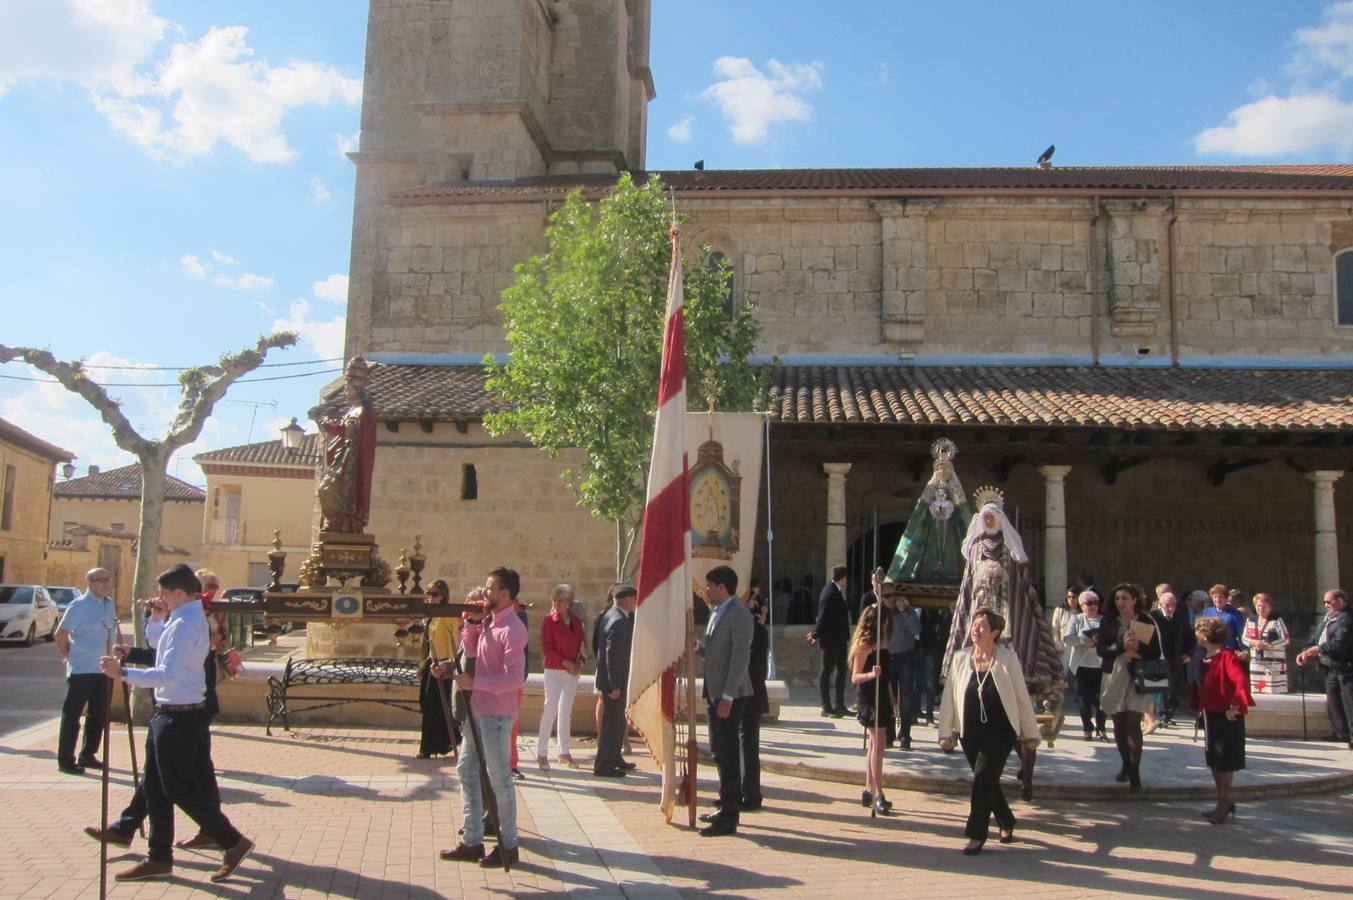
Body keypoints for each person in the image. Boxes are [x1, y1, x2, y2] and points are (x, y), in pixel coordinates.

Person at [98, 565, 254, 883]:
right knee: (155, 788)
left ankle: (232, 841)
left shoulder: (186, 624)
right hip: (172, 711)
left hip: (180, 715)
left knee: (179, 788)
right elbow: (163, 656)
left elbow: (167, 672)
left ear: (179, 593)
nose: (161, 599)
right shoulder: (181, 619)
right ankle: (158, 857)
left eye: (165, 594)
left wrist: (123, 674)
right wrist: (132, 656)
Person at [438, 567, 527, 869]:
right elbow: (473, 655)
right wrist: (471, 627)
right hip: (477, 711)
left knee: (500, 779)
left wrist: (477, 684)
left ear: (505, 594)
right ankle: (472, 839)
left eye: (490, 589)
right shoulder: (489, 623)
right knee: (466, 770)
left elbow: (515, 678)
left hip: (497, 715)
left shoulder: (513, 629)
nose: (485, 594)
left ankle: (509, 845)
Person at [937, 608, 1040, 856]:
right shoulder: (961, 658)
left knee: (982, 778)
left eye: (981, 625)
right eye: (974, 624)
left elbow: (1021, 697)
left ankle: (975, 834)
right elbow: (949, 696)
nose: (975, 628)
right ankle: (1006, 820)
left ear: (994, 632)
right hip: (969, 731)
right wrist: (945, 732)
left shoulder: (1007, 659)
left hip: (1000, 730)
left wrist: (1030, 733)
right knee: (987, 781)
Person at [943, 500, 1062, 686]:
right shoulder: (976, 545)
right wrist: (983, 582)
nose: (989, 520)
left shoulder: (1008, 545)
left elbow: (1018, 575)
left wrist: (1001, 578)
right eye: (986, 517)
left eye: (992, 517)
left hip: (1006, 601)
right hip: (981, 600)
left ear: (999, 518)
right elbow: (970, 577)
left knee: (1011, 635)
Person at [694, 565, 753, 837]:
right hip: (714, 691)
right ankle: (724, 803)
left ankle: (730, 815)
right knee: (718, 751)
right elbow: (717, 654)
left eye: (710, 585)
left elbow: (740, 657)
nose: (706, 590)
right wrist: (697, 648)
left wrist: (728, 694)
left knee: (727, 753)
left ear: (722, 587)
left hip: (730, 694)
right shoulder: (716, 612)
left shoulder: (739, 614)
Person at [1093, 582, 1162, 792]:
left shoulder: (1146, 620)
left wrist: (1138, 646)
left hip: (1137, 674)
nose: (1120, 602)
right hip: (1114, 673)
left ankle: (1135, 772)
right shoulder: (1108, 622)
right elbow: (1102, 650)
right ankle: (1125, 763)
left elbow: (1155, 651)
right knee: (1119, 723)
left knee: (1133, 722)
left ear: (1134, 600)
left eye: (1124, 598)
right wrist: (1120, 646)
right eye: (1117, 598)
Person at [55, 567, 121, 774]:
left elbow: (113, 630)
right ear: (90, 583)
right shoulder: (79, 605)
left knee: (99, 714)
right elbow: (61, 634)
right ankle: (66, 760)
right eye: (102, 580)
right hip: (83, 668)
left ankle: (88, 754)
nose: (107, 584)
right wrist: (68, 654)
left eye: (108, 580)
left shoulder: (109, 605)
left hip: (105, 668)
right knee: (73, 715)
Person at [1193, 616, 1253, 824]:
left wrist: (1235, 707)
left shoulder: (1227, 657)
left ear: (1206, 635)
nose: (1196, 634)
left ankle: (1223, 802)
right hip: (1211, 714)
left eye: (1199, 631)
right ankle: (1223, 800)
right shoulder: (1205, 656)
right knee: (1214, 759)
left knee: (1225, 761)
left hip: (1227, 715)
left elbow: (1240, 681)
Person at [849, 602, 895, 817]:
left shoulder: (882, 644)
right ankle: (878, 791)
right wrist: (871, 675)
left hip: (882, 695)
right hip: (869, 696)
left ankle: (868, 788)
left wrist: (891, 695)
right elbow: (855, 676)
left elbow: (886, 676)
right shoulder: (864, 646)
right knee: (878, 743)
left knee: (876, 744)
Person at [1295, 589, 1353, 748]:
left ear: (1340, 601)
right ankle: (1340, 733)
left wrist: (1317, 649)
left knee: (1349, 702)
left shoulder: (1347, 618)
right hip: (1329, 666)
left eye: (1329, 601)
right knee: (1333, 700)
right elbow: (1315, 637)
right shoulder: (1327, 619)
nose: (1326, 605)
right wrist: (1305, 651)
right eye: (1325, 602)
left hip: (1345, 667)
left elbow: (1340, 642)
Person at [537, 584, 585, 769]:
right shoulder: (549, 621)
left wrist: (579, 663)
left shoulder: (576, 621)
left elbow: (582, 644)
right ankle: (542, 753)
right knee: (550, 709)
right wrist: (567, 663)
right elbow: (547, 649)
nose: (557, 604)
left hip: (571, 671)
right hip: (555, 670)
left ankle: (564, 751)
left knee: (566, 711)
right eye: (555, 600)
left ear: (568, 603)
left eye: (561, 601)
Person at [593, 585, 636, 777]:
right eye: (634, 598)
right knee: (613, 723)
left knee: (617, 722)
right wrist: (615, 685)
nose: (636, 602)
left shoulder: (611, 615)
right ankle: (604, 764)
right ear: (626, 600)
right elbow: (614, 655)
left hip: (610, 680)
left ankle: (614, 757)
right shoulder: (619, 621)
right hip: (614, 683)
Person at [417, 580, 460, 759]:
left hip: (442, 663)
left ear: (443, 596)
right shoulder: (431, 616)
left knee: (436, 704)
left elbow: (453, 641)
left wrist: (449, 664)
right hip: (431, 662)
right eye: (428, 593)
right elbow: (425, 643)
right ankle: (448, 739)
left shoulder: (447, 614)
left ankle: (429, 747)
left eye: (434, 594)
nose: (430, 597)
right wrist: (422, 665)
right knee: (426, 701)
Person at [739, 590, 769, 812]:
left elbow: (752, 667)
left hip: (749, 695)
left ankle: (750, 793)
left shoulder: (755, 631)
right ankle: (746, 791)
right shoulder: (757, 629)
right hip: (750, 694)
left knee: (748, 746)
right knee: (746, 745)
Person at [807, 565, 850, 718]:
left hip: (839, 639)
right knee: (826, 672)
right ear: (843, 578)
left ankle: (839, 704)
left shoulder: (835, 591)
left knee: (841, 671)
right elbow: (823, 615)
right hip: (830, 640)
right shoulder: (830, 592)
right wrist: (815, 633)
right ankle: (826, 706)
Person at [1065, 591, 1107, 741]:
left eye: (1096, 603)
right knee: (1084, 699)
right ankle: (1087, 728)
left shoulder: (1104, 620)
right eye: (1089, 603)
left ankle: (1101, 728)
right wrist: (1083, 640)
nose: (1093, 606)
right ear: (1082, 606)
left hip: (1100, 665)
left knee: (1103, 699)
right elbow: (1067, 639)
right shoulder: (1076, 620)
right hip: (1080, 666)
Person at [883, 584, 921, 750]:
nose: (891, 599)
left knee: (906, 699)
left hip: (905, 656)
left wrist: (905, 611)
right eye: (887, 596)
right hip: (887, 658)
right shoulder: (880, 612)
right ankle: (889, 735)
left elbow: (916, 630)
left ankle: (905, 735)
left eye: (893, 595)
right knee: (888, 698)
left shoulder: (907, 610)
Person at [1150, 591, 1195, 725]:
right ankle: (1159, 715)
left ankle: (1167, 716)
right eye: (1168, 605)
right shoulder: (1153, 617)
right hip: (1157, 657)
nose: (1171, 608)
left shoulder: (1181, 617)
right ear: (1161, 604)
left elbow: (1190, 637)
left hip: (1175, 658)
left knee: (1172, 689)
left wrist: (1189, 653)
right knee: (1159, 688)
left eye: (1173, 605)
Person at [1242, 593, 1289, 694]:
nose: (1261, 609)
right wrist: (1253, 642)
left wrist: (1269, 645)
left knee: (1273, 693)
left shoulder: (1276, 620)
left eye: (1264, 606)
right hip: (1256, 665)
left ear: (1270, 608)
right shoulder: (1251, 620)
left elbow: (1285, 639)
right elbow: (1244, 638)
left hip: (1273, 666)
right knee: (1257, 692)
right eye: (1258, 606)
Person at [590, 585, 615, 739]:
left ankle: (623, 739)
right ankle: (600, 735)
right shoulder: (603, 616)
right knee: (602, 700)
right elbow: (595, 642)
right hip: (604, 664)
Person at [1202, 584, 1245, 652]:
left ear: (1226, 598)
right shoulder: (1207, 611)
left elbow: (1241, 635)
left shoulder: (1235, 614)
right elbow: (1203, 631)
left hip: (1228, 651)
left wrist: (1244, 651)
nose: (1218, 599)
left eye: (1220, 597)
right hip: (1210, 651)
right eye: (1215, 597)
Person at [1052, 588, 1079, 681]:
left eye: (1074, 597)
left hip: (1076, 645)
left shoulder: (1080, 612)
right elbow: (1055, 628)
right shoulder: (1060, 610)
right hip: (1064, 646)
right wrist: (1057, 644)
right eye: (1069, 597)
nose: (1071, 599)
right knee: (1063, 669)